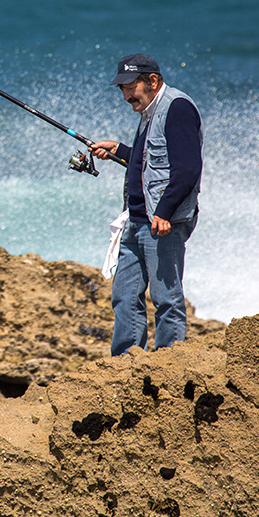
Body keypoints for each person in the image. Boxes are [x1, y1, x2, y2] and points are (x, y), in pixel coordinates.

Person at [89, 53, 203, 356]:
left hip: (162, 224)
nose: (126, 95)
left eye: (130, 86)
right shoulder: (148, 112)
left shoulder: (177, 108)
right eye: (122, 89)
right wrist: (119, 150)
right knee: (124, 297)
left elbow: (188, 168)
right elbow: (149, 163)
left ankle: (169, 366)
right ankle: (126, 367)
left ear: (152, 81)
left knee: (166, 299)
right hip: (135, 221)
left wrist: (164, 212)